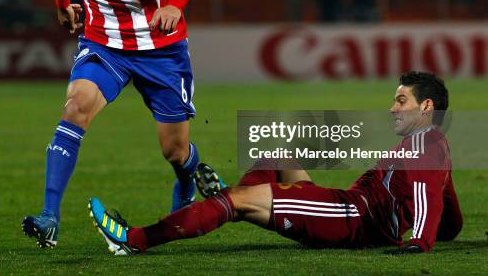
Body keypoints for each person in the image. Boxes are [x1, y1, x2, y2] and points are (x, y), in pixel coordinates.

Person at [21, 0, 204, 248]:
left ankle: (188, 178)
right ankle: (49, 217)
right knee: (75, 108)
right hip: (104, 43)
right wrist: (61, 3)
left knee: (175, 150)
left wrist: (175, 4)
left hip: (160, 48)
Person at [89, 71, 463, 255]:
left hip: (351, 218)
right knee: (277, 157)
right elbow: (447, 203)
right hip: (347, 205)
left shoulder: (427, 143)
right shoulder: (429, 142)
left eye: (401, 101)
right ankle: (223, 199)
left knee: (237, 200)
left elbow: (426, 190)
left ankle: (134, 240)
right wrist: (448, 231)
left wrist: (421, 242)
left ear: (426, 107)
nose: (392, 108)